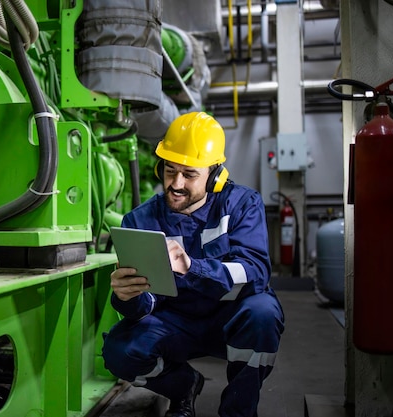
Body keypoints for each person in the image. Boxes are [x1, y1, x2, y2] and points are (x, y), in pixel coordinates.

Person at [102, 112, 285, 417]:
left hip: (231, 315)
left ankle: (238, 410)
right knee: (120, 353)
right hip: (176, 322)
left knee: (263, 313)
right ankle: (183, 386)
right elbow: (146, 303)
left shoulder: (241, 204)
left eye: (189, 174)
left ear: (215, 175)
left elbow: (255, 273)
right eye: (170, 170)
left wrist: (192, 267)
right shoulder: (140, 220)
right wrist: (126, 297)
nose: (175, 183)